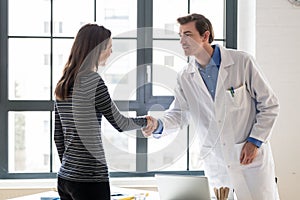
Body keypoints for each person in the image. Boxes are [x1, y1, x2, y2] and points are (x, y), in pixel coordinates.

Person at [142, 13, 280, 200]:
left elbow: (269, 104)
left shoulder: (241, 62)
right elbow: (179, 114)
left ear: (205, 36)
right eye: (180, 35)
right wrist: (157, 124)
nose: (182, 40)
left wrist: (255, 141)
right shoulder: (185, 76)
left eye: (188, 35)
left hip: (249, 159)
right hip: (217, 162)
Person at [54, 24, 151, 200]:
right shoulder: (92, 81)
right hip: (90, 178)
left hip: (65, 178)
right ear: (96, 50)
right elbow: (120, 123)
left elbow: (58, 136)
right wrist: (147, 121)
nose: (111, 52)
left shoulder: (63, 83)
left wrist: (72, 167)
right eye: (109, 47)